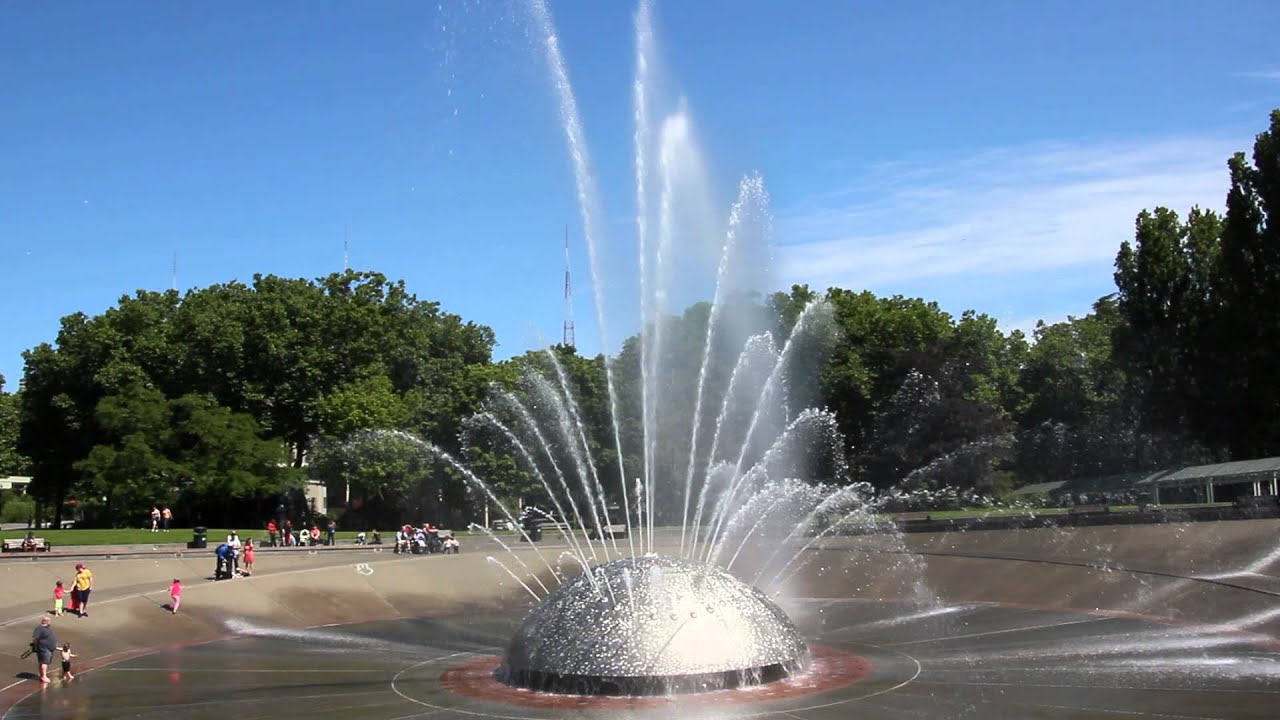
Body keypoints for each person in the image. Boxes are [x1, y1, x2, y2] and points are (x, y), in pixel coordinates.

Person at [31, 616, 56, 683]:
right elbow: (35, 639)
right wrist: (35, 646)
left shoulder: (47, 628)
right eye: (49, 621)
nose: (50, 622)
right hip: (43, 648)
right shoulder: (39, 628)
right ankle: (43, 676)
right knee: (44, 663)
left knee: (44, 662)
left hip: (49, 648)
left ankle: (43, 675)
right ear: (45, 621)